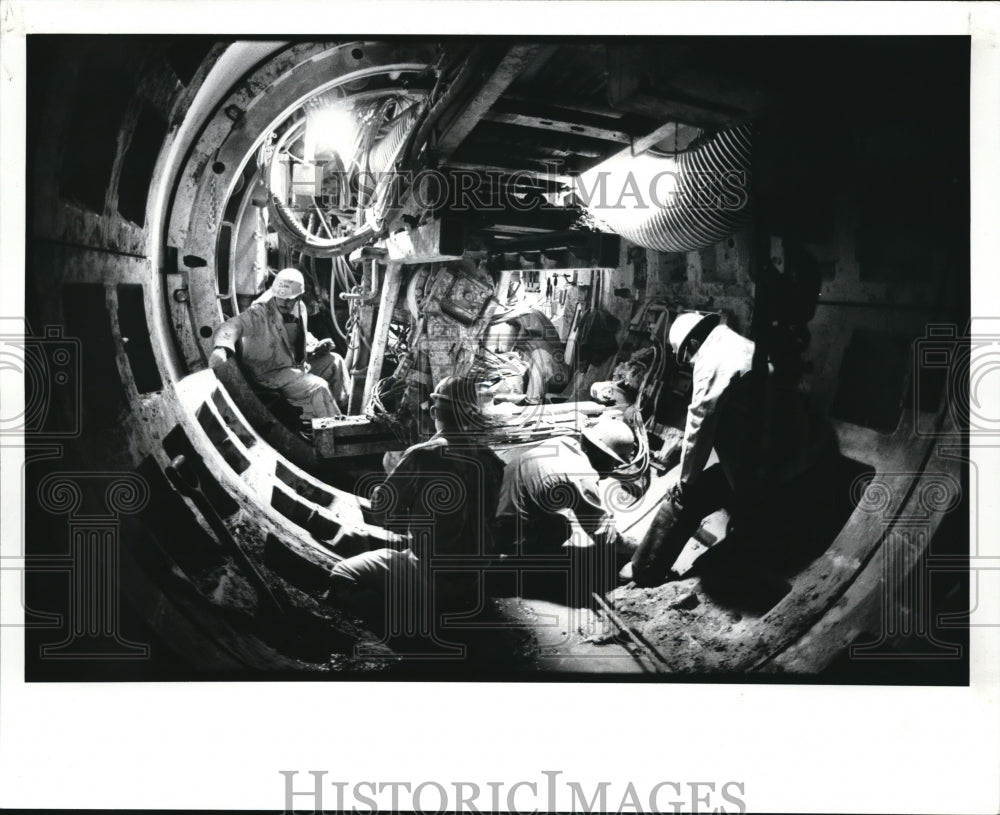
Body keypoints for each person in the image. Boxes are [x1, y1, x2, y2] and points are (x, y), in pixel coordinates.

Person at [626, 311, 832, 587]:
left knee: (686, 497)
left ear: (690, 345)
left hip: (770, 468)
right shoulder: (741, 345)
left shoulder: (711, 360)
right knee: (715, 482)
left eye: (685, 357)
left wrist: (684, 483)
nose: (688, 362)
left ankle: (644, 570)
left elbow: (700, 424)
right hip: (799, 451)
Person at [325, 375, 505, 642]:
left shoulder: (423, 454)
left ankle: (410, 627)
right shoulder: (492, 461)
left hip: (432, 573)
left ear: (434, 412)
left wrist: (383, 486)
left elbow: (382, 512)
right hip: (475, 576)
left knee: (342, 575)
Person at [209, 268, 348, 420]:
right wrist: (222, 349)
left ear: (299, 297)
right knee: (318, 387)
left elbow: (295, 334)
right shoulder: (259, 312)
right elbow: (234, 325)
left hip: (293, 366)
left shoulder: (299, 307)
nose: (284, 302)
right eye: (280, 298)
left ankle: (340, 413)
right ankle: (333, 434)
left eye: (290, 299)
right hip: (271, 373)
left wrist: (314, 346)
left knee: (335, 361)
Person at [493, 415, 637, 557]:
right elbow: (603, 533)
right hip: (500, 536)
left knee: (556, 512)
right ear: (601, 455)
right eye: (616, 462)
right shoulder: (581, 476)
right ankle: (529, 563)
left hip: (489, 513)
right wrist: (638, 548)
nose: (615, 468)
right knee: (561, 527)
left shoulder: (563, 443)